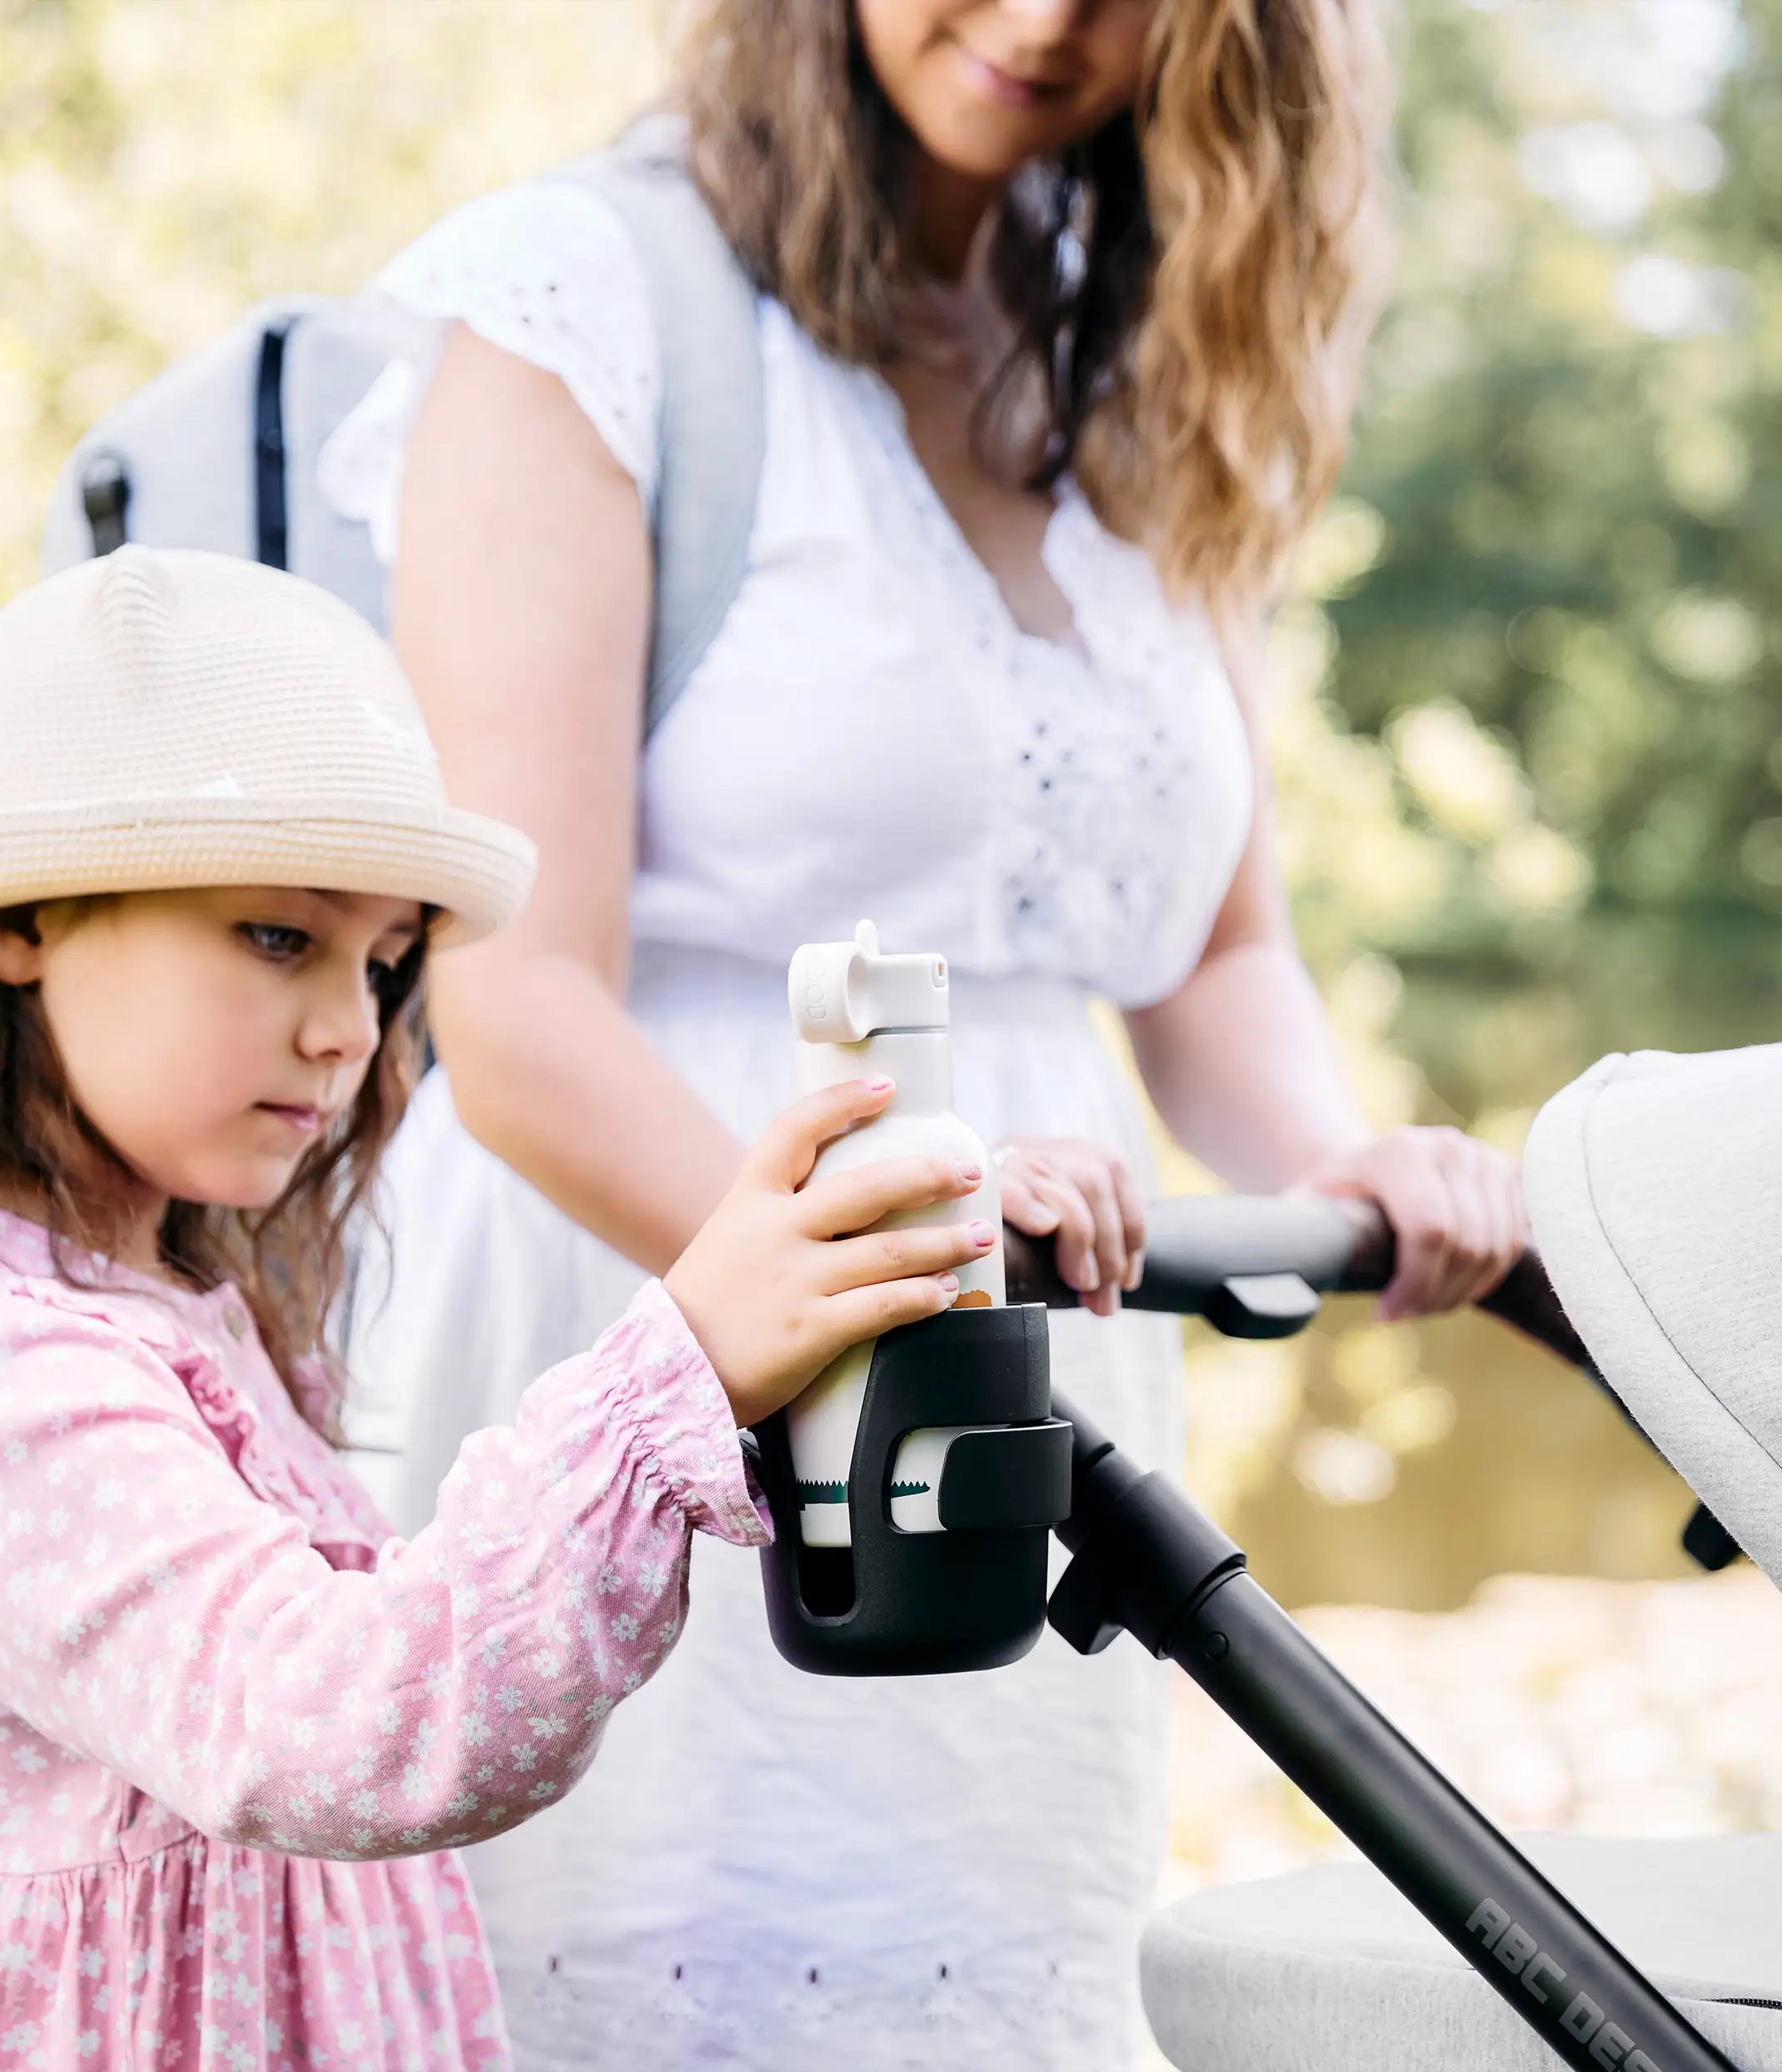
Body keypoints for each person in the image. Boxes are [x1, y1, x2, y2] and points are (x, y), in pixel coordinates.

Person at [321, 2, 1536, 2065]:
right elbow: (512, 1004)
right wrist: (868, 1274)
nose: (1044, 15)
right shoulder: (583, 302)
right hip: (661, 1310)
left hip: (1023, 1340)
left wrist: (1339, 1162)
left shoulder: (1153, 340)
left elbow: (1197, 944)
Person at [0, 546, 996, 2072]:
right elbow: (338, 1722)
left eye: (385, 961)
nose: (348, 1029)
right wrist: (675, 1375)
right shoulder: (0, 1370)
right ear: (23, 920)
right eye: (280, 935)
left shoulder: (160, 1301)